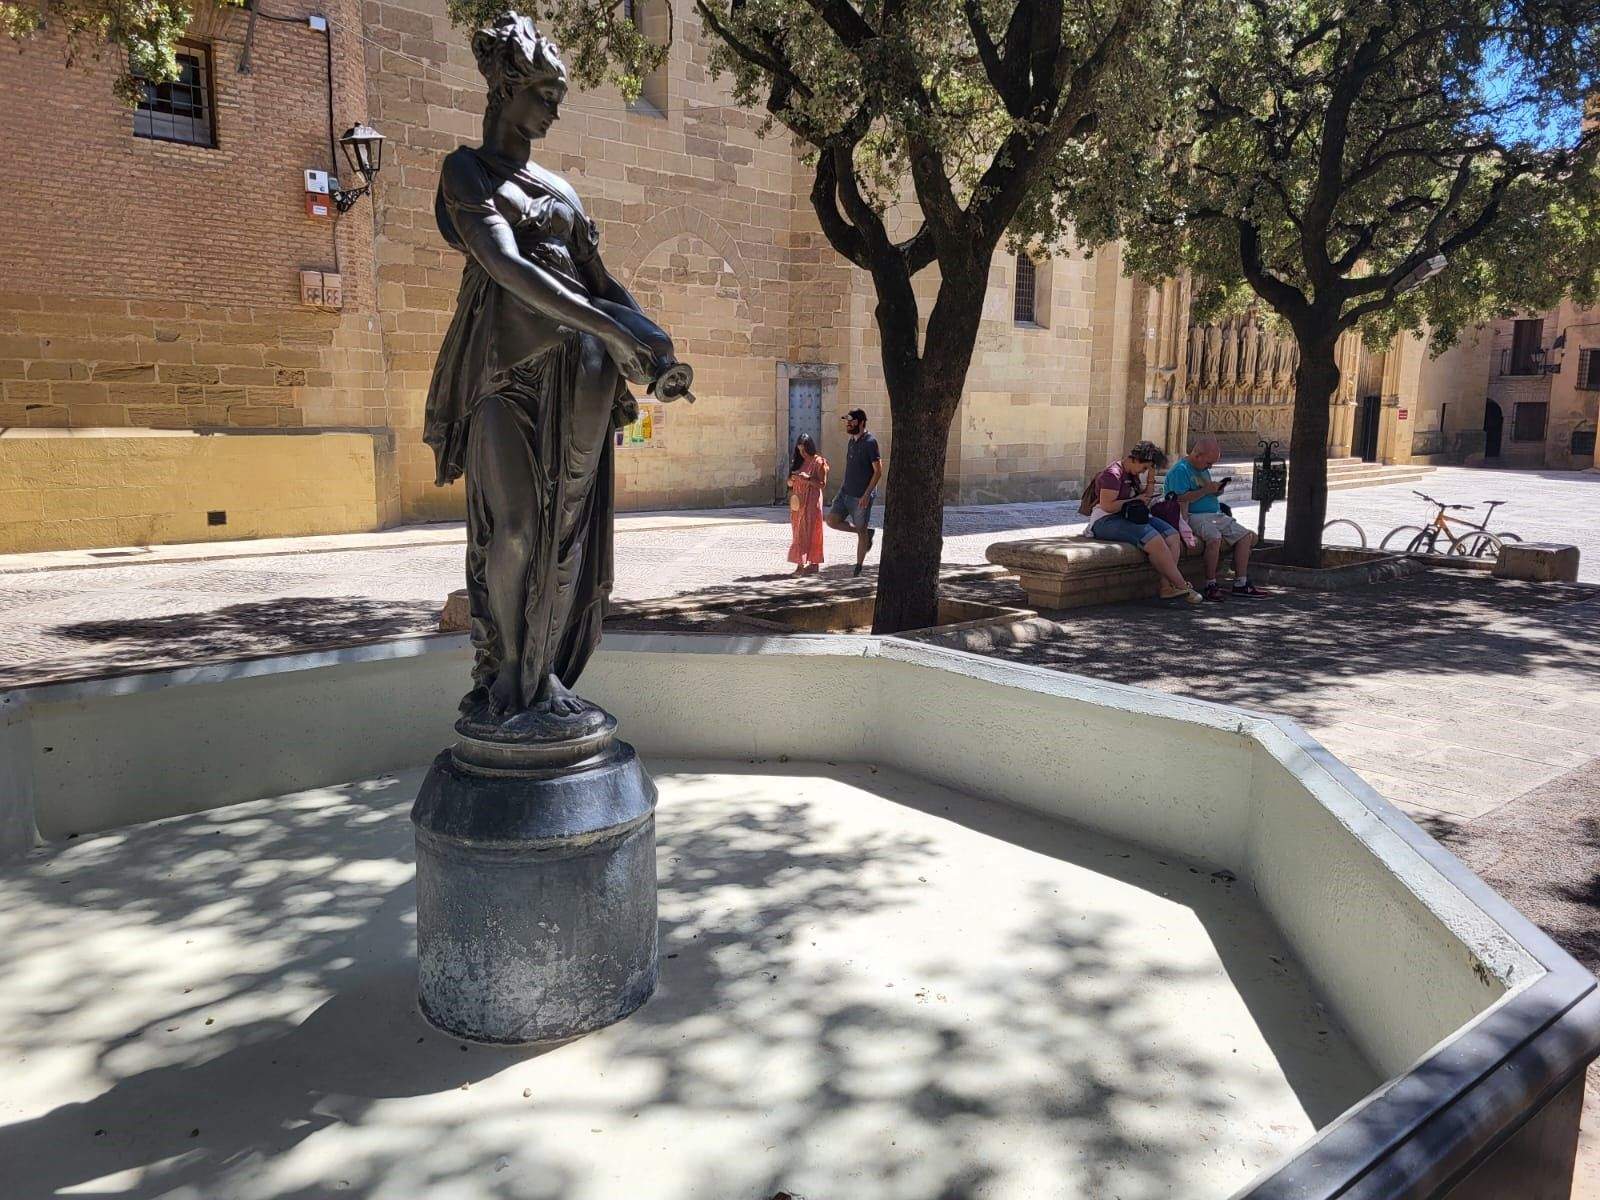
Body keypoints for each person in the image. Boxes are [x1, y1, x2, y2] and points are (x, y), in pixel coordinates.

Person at [423, 12, 689, 738]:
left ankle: (543, 677)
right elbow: (505, 267)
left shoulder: (563, 191)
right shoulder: (467, 172)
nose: (556, 107)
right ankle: (506, 677)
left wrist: (653, 339)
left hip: (582, 381)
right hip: (501, 377)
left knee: (565, 537)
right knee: (512, 529)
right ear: (505, 86)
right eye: (545, 89)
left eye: (559, 91)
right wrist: (611, 326)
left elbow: (603, 283)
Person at [1087, 441, 1203, 605]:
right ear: (1135, 459)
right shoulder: (1113, 474)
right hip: (1106, 519)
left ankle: (1166, 587)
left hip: (1130, 515)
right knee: (1154, 540)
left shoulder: (1132, 473)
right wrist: (1135, 499)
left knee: (1172, 535)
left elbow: (1145, 497)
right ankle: (1181, 585)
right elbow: (1107, 505)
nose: (1144, 471)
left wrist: (1150, 479)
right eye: (1145, 467)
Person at [1163, 435, 1264, 600]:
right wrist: (1205, 491)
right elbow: (1179, 499)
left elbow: (1205, 491)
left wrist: (1215, 490)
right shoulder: (1181, 470)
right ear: (1197, 455)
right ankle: (1210, 583)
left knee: (1246, 536)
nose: (1210, 467)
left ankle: (1241, 582)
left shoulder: (1202, 469)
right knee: (1214, 538)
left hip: (1215, 514)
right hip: (1194, 515)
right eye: (1208, 463)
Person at [826, 408, 883, 577]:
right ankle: (866, 533)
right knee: (831, 520)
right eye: (847, 421)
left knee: (861, 530)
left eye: (851, 421)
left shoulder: (870, 442)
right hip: (845, 492)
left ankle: (858, 567)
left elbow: (878, 471)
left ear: (861, 422)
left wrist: (866, 495)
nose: (848, 424)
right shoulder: (852, 441)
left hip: (861, 497)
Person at [786, 434, 828, 574]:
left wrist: (808, 479)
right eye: (799, 450)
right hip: (798, 503)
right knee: (798, 532)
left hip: (812, 502)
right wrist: (791, 480)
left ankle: (808, 564)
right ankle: (803, 564)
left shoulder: (819, 462)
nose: (802, 453)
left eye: (804, 450)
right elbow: (789, 484)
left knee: (811, 531)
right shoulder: (798, 462)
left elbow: (822, 484)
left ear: (810, 447)